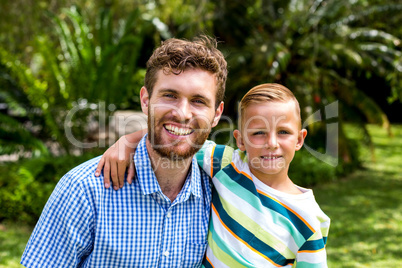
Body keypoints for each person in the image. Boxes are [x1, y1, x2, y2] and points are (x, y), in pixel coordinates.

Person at [21, 36, 227, 268]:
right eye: (169, 95)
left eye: (198, 101)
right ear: (145, 100)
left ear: (217, 114)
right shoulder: (84, 190)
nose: (182, 113)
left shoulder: (221, 192)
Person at [97, 83, 331, 267]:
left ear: (300, 139)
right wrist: (127, 142)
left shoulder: (308, 220)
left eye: (283, 132)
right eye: (258, 132)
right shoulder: (226, 164)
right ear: (240, 140)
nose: (271, 143)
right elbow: (178, 138)